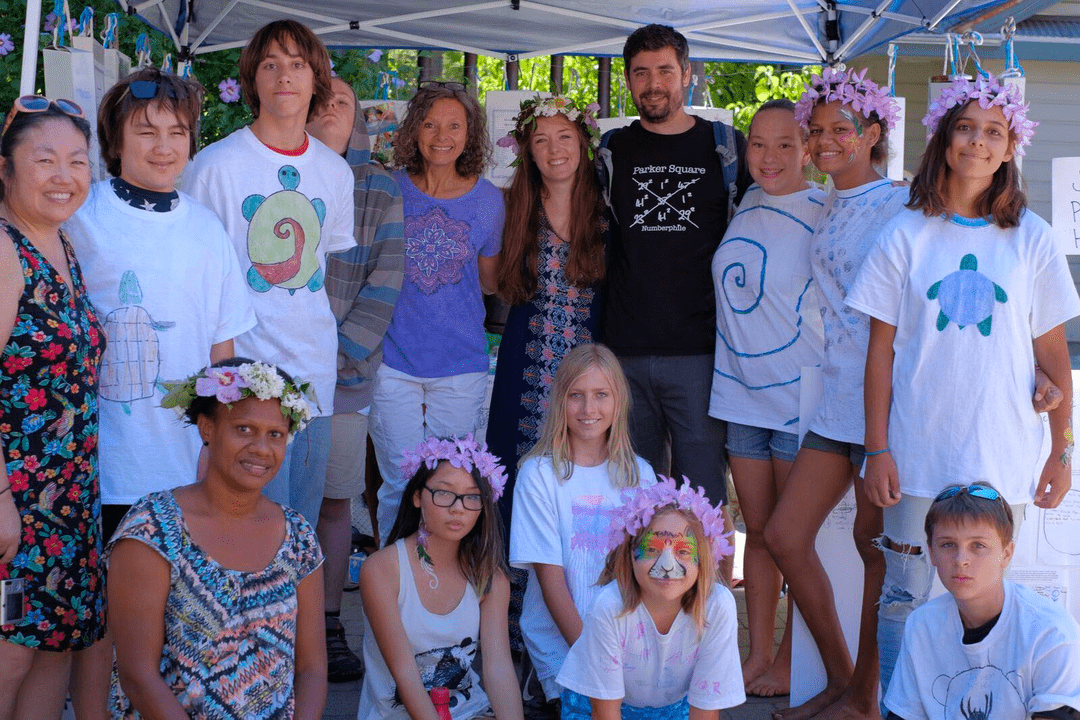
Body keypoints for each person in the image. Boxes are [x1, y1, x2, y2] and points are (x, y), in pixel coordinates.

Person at [848, 74, 1080, 700]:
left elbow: (1051, 355)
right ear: (945, 140)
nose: (978, 142)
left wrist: (1061, 451)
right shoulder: (904, 234)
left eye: (993, 132)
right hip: (917, 452)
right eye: (966, 128)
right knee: (905, 593)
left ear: (1010, 149)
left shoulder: (1031, 238)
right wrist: (876, 448)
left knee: (987, 599)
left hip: (1002, 453)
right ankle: (902, 706)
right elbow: (878, 355)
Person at [63, 65, 257, 719]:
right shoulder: (79, 217)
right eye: (146, 131)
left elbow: (223, 359)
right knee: (99, 636)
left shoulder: (207, 230)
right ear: (114, 140)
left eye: (178, 132)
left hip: (184, 474)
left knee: (177, 633)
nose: (164, 145)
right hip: (102, 469)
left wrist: (225, 466)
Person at [761, 67, 905, 720]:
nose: (824, 141)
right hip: (835, 400)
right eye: (815, 130)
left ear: (873, 133)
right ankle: (843, 681)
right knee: (786, 536)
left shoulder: (904, 205)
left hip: (885, 408)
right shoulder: (828, 203)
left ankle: (863, 699)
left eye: (840, 130)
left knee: (874, 552)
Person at [182, 19, 355, 525]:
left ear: (316, 79)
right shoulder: (213, 166)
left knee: (297, 524)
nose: (285, 76)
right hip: (243, 375)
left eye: (298, 65)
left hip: (314, 375)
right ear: (252, 79)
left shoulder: (335, 171)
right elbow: (197, 276)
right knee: (239, 522)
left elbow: (325, 270)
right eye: (270, 64)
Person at [596, 25, 751, 579]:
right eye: (640, 73)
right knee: (634, 494)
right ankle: (641, 609)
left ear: (687, 74)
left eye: (665, 70)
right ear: (629, 82)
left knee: (703, 495)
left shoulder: (724, 147)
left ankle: (706, 609)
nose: (653, 83)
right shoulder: (612, 151)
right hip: (624, 351)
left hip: (700, 354)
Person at [106, 358, 326, 718]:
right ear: (207, 428)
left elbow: (312, 669)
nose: (261, 448)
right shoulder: (153, 530)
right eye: (243, 429)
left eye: (276, 435)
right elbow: (138, 675)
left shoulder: (298, 535)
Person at [709, 98, 826, 697]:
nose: (770, 156)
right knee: (756, 531)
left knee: (790, 538)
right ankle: (756, 653)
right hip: (738, 397)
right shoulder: (746, 201)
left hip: (796, 400)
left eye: (785, 144)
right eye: (758, 143)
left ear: (807, 148)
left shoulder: (827, 210)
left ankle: (788, 660)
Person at [0, 96, 104, 720]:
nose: (64, 175)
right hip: (17, 512)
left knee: (52, 652)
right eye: (44, 160)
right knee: (9, 652)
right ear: (6, 169)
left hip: (67, 504)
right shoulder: (5, 251)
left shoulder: (64, 249)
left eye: (77, 160)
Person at [369, 80, 503, 545]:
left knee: (450, 487)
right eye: (429, 123)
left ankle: (443, 588)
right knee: (398, 486)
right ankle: (391, 592)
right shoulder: (389, 189)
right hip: (392, 361)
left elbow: (490, 283)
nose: (441, 135)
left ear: (470, 134)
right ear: (413, 130)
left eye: (454, 125)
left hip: (460, 364)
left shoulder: (489, 201)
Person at [306, 74, 405, 682]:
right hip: (272, 378)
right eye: (319, 102)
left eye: (340, 102)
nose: (328, 111)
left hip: (341, 375)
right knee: (269, 503)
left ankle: (326, 623)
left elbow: (385, 282)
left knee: (334, 502)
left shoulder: (378, 189)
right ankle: (267, 619)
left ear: (358, 120)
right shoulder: (270, 178)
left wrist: (336, 357)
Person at [510, 343, 657, 706]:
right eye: (576, 395)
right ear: (560, 401)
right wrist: (596, 660)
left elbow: (652, 574)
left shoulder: (641, 475)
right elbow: (552, 583)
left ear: (618, 401)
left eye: (601, 395)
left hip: (630, 645)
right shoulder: (539, 475)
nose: (589, 409)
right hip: (565, 645)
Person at [488, 94, 605, 534]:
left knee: (584, 470)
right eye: (541, 141)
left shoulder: (607, 205)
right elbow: (493, 279)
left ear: (583, 142)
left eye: (564, 137)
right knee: (518, 466)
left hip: (592, 360)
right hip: (526, 360)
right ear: (527, 151)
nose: (555, 150)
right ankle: (514, 591)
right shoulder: (513, 207)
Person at [357, 435, 524, 720]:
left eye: (472, 497)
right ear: (417, 496)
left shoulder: (490, 575)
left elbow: (498, 669)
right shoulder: (383, 569)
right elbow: (406, 675)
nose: (458, 507)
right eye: (444, 493)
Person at [882, 483, 1080, 720]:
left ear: (1006, 553)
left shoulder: (1049, 631)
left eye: (978, 545)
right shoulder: (922, 624)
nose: (961, 559)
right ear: (932, 553)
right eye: (948, 544)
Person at [556, 477, 745, 718]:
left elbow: (704, 713)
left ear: (705, 557)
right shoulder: (609, 606)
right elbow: (605, 714)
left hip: (675, 711)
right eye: (652, 549)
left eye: (683, 551)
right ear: (629, 554)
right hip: (595, 708)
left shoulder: (718, 606)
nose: (667, 565)